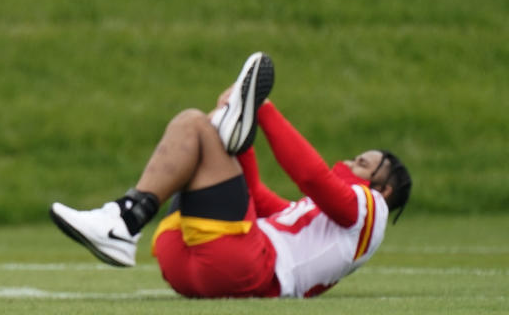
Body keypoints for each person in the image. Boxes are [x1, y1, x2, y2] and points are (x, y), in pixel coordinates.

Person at [50, 52, 413, 298]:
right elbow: (251, 191)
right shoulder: (313, 221)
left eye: (361, 163)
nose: (349, 162)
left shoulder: (371, 210)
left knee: (194, 124)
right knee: (203, 130)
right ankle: (127, 217)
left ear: (383, 188)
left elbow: (313, 178)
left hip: (245, 269)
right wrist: (243, 135)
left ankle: (126, 219)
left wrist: (264, 110)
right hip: (203, 263)